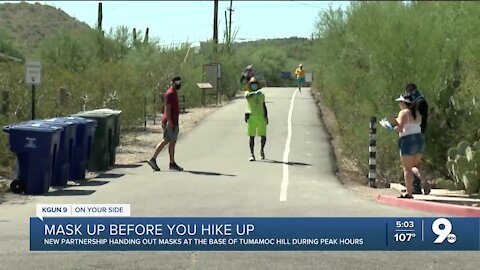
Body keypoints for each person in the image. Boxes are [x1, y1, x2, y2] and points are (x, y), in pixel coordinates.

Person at [390, 94, 430, 198]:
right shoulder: (417, 113)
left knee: (407, 168)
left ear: (404, 103)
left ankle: (409, 193)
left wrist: (390, 126)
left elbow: (400, 128)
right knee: (416, 165)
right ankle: (424, 180)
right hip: (419, 139)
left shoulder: (403, 113)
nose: (399, 104)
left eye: (400, 102)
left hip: (408, 140)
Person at [147, 76, 184, 172]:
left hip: (174, 121)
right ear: (172, 83)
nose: (178, 84)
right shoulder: (170, 93)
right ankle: (153, 159)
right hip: (169, 122)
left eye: (179, 82)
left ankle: (172, 163)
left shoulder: (174, 93)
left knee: (172, 142)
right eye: (176, 82)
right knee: (166, 140)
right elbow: (167, 108)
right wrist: (170, 122)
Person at [404, 83, 429, 194]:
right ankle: (419, 183)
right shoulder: (422, 101)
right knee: (416, 163)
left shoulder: (415, 104)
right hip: (420, 135)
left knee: (409, 165)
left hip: (410, 136)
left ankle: (415, 187)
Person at [244, 77, 269, 161]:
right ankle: (252, 154)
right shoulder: (248, 93)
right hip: (251, 116)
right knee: (251, 136)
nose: (254, 85)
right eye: (252, 84)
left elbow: (264, 105)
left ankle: (262, 150)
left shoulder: (261, 94)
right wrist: (254, 93)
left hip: (261, 116)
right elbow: (247, 96)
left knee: (263, 136)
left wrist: (266, 116)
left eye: (255, 84)